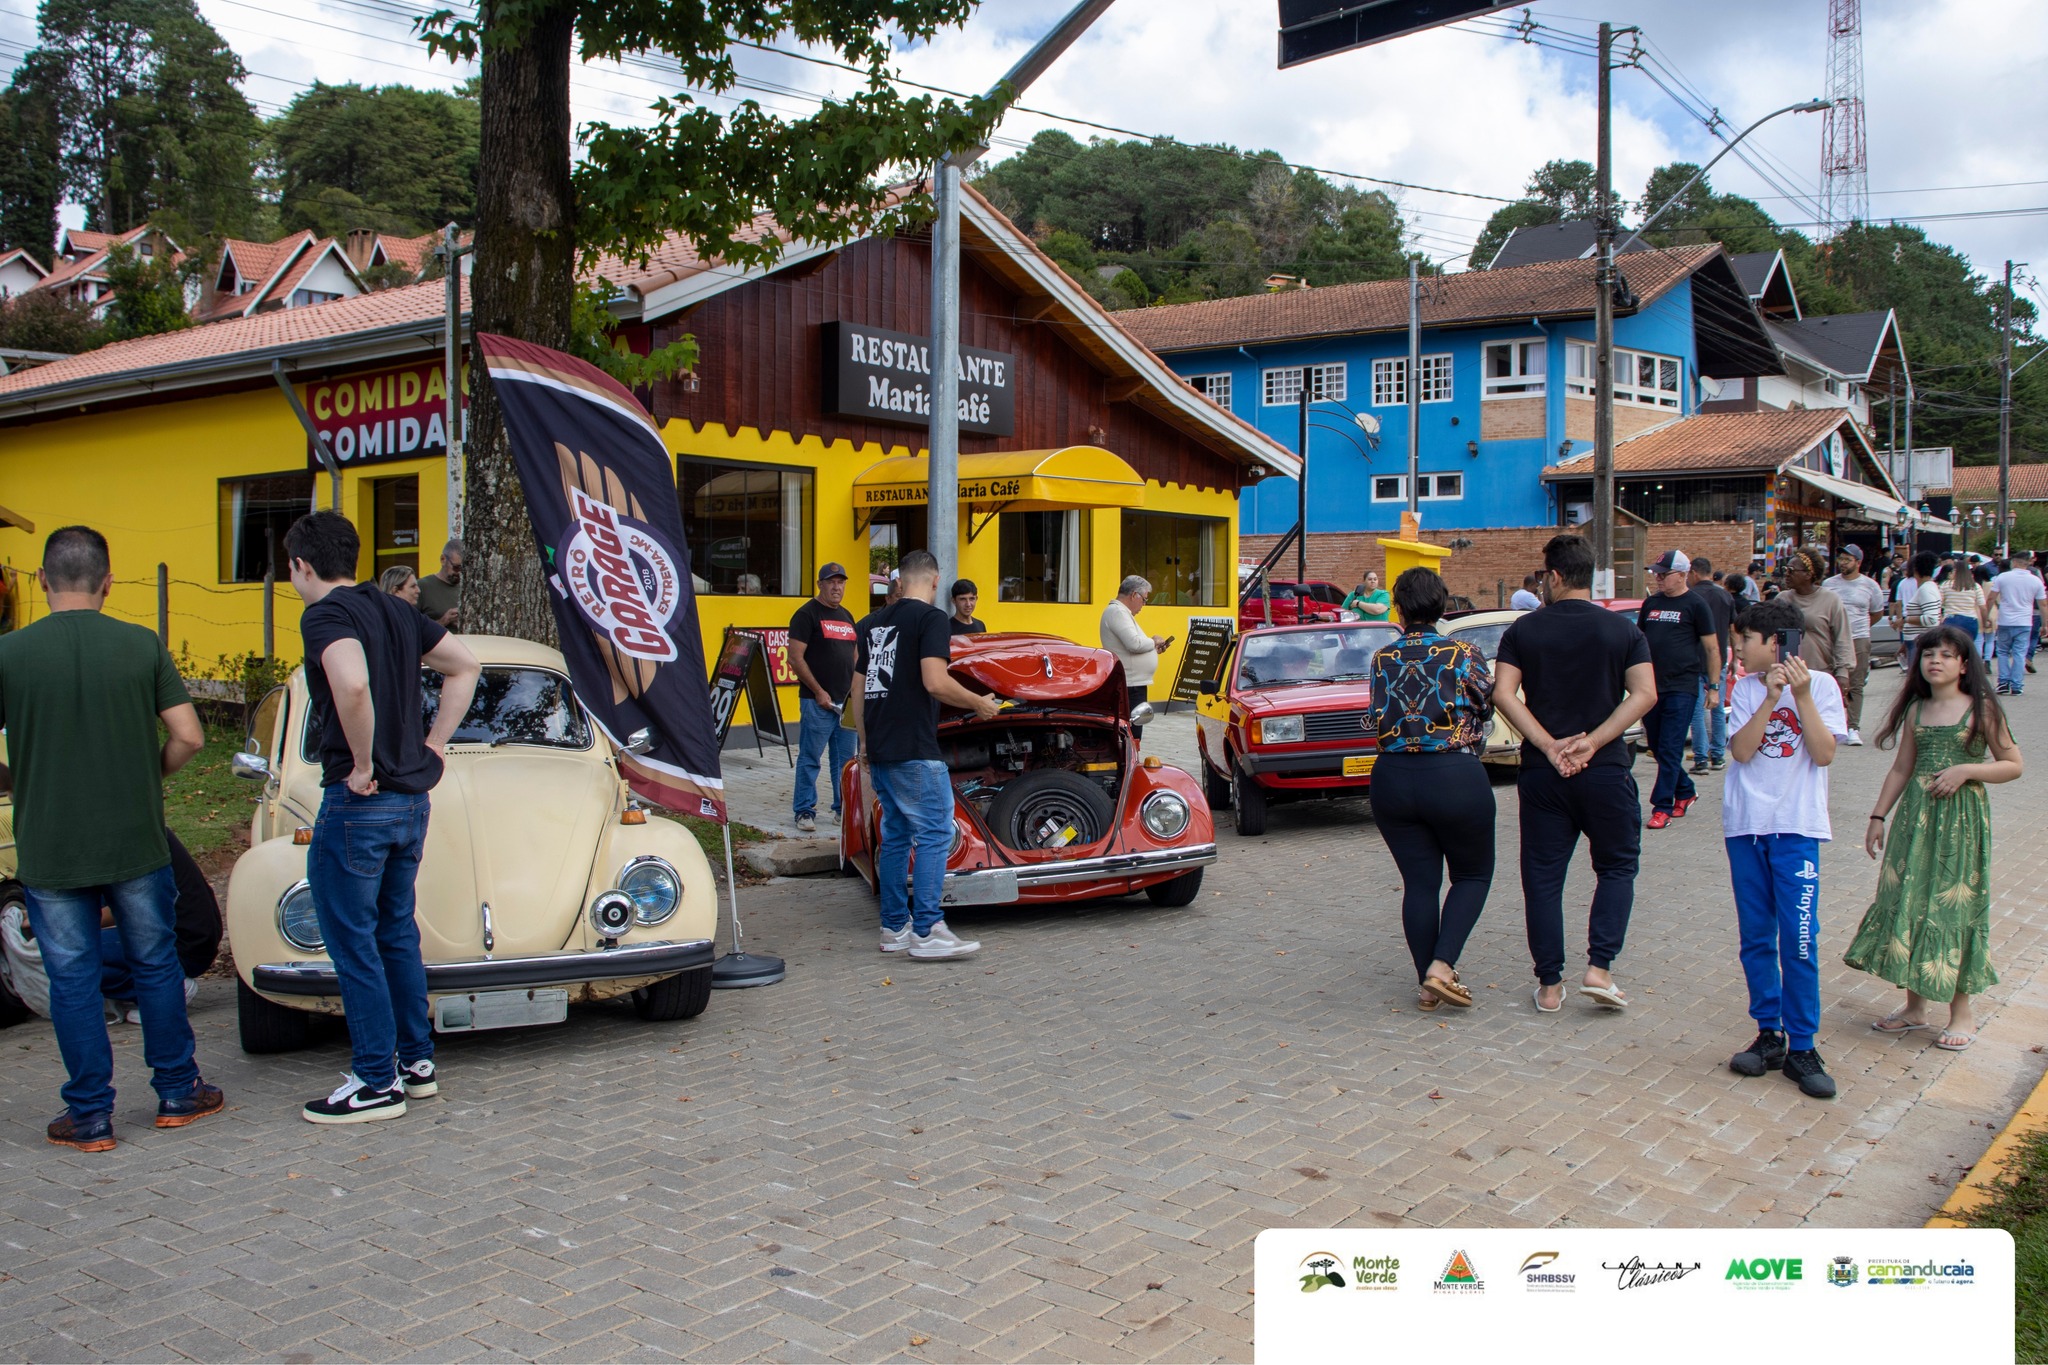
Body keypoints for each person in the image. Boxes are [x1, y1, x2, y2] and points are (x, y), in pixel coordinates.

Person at [0, 525, 217, 1151]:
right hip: (134, 838)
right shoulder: (140, 645)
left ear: (42, 581)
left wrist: (22, 779)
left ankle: (90, 1115)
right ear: (108, 580)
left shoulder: (9, 655)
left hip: (50, 844)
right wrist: (148, 774)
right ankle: (178, 1091)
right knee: (155, 961)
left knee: (72, 978)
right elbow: (191, 736)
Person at [288, 510, 479, 1124]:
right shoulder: (397, 609)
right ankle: (415, 1063)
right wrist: (435, 744)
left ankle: (374, 1081)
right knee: (396, 930)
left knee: (354, 942)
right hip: (411, 801)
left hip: (359, 801)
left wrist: (364, 762)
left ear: (302, 566)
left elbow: (350, 686)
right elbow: (465, 665)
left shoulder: (326, 614)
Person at [1492, 534, 1656, 1014]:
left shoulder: (1523, 631)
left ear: (1555, 577)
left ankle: (1548, 985)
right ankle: (1599, 970)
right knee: (1617, 866)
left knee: (1542, 877)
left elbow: (1504, 695)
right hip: (1605, 770)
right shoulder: (1624, 631)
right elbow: (1644, 694)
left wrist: (1547, 744)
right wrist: (1594, 741)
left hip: (1543, 775)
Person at [1845, 626, 2022, 1052]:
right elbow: (1902, 770)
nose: (1935, 661)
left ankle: (1962, 1012)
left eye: (1946, 654)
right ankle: (1915, 1007)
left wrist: (1968, 770)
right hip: (1914, 821)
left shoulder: (1982, 709)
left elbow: (2013, 764)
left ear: (1964, 664)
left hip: (1961, 824)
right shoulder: (1917, 710)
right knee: (1912, 901)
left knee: (1953, 907)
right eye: (1928, 654)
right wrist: (1877, 816)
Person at [1721, 595, 1849, 1100]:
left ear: (1776, 643)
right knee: (1756, 936)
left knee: (1799, 938)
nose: (1739, 650)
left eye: (1746, 641)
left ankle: (1803, 1045)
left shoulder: (1822, 686)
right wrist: (1772, 698)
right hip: (1747, 827)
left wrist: (1803, 697)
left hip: (1797, 828)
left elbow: (1823, 753)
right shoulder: (1748, 689)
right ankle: (1768, 1033)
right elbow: (1742, 750)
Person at [849, 550, 1003, 961]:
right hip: (915, 748)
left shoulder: (872, 624)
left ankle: (894, 926)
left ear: (901, 580)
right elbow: (935, 682)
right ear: (936, 582)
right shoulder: (932, 619)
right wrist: (979, 704)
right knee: (935, 832)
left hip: (880, 748)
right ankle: (928, 929)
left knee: (896, 836)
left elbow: (858, 691)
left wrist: (865, 744)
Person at [1366, 568, 1496, 1012]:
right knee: (1473, 875)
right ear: (1443, 605)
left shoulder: (1381, 658)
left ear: (1398, 607)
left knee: (1419, 884)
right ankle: (1441, 967)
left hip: (1393, 777)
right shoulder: (1465, 653)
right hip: (1454, 774)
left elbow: (1375, 713)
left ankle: (1427, 985)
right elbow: (1485, 703)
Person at [1636, 550, 1720, 829]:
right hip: (1650, 687)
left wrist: (1714, 687)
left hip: (1683, 686)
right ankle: (1685, 790)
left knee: (1671, 748)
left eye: (1664, 574)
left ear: (1683, 575)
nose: (1658, 579)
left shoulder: (1696, 605)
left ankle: (1662, 807)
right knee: (1659, 747)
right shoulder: (1651, 603)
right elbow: (1639, 642)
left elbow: (1711, 648)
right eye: (1656, 574)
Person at [101, 829, 220, 1023]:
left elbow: (117, 910)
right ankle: (158, 988)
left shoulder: (128, 838)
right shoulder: (141, 825)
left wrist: (44, 924)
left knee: (69, 954)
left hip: (183, 946)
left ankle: (167, 989)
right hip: (191, 937)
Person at [787, 563, 858, 834]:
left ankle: (843, 810)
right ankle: (804, 811)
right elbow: (795, 658)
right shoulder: (806, 614)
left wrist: (855, 692)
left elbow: (854, 657)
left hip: (844, 703)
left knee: (845, 763)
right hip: (816, 702)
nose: (837, 587)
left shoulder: (847, 615)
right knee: (810, 758)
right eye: (831, 582)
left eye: (841, 582)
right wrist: (818, 691)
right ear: (820, 584)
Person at [1824, 545, 1888, 744]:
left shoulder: (1870, 586)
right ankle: (1832, 724)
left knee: (1856, 683)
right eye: (1841, 559)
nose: (1843, 563)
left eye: (1848, 559)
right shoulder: (1828, 584)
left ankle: (1853, 727)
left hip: (1859, 637)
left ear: (1858, 562)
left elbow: (1877, 612)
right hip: (1833, 638)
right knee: (1831, 681)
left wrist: (1862, 627)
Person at [1100, 575, 1172, 738]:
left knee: (1135, 728)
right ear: (1134, 595)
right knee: (1132, 730)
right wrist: (1153, 642)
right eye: (1144, 599)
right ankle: (1131, 758)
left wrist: (1153, 649)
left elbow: (1136, 645)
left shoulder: (1121, 612)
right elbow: (1134, 643)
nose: (1144, 605)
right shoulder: (1117, 612)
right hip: (1130, 684)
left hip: (1134, 682)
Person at [1783, 546, 1855, 704]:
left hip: (1821, 674)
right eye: (1785, 569)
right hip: (1789, 676)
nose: (1786, 574)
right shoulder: (1782, 600)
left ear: (1808, 574)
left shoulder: (1830, 600)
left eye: (1791, 570)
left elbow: (1842, 638)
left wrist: (1843, 673)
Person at [1686, 556, 1736, 773]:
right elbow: (1733, 629)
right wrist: (1735, 658)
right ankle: (1718, 755)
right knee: (1717, 709)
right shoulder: (1725, 596)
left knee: (1696, 710)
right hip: (1720, 660)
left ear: (1694, 573)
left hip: (1695, 660)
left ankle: (1700, 759)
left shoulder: (1691, 597)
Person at [1990, 556, 2045, 695]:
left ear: (2013, 563)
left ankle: (2003, 683)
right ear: (2027, 564)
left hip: (2005, 621)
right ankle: (2017, 685)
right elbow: (2043, 604)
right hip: (2025, 622)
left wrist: (1986, 616)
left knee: (2002, 652)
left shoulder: (2002, 577)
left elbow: (1991, 597)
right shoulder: (2035, 580)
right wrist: (2045, 624)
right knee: (2019, 654)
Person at [414, 538, 464, 628]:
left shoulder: (469, 589)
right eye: (456, 567)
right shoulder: (421, 587)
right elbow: (412, 629)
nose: (459, 573)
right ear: (443, 559)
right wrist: (444, 621)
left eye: (463, 569)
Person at [1939, 554, 1989, 642]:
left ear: (1955, 571)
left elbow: (1939, 603)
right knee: (1967, 647)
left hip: (1951, 619)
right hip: (1970, 620)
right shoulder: (1975, 586)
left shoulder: (1946, 585)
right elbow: (1983, 607)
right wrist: (1985, 622)